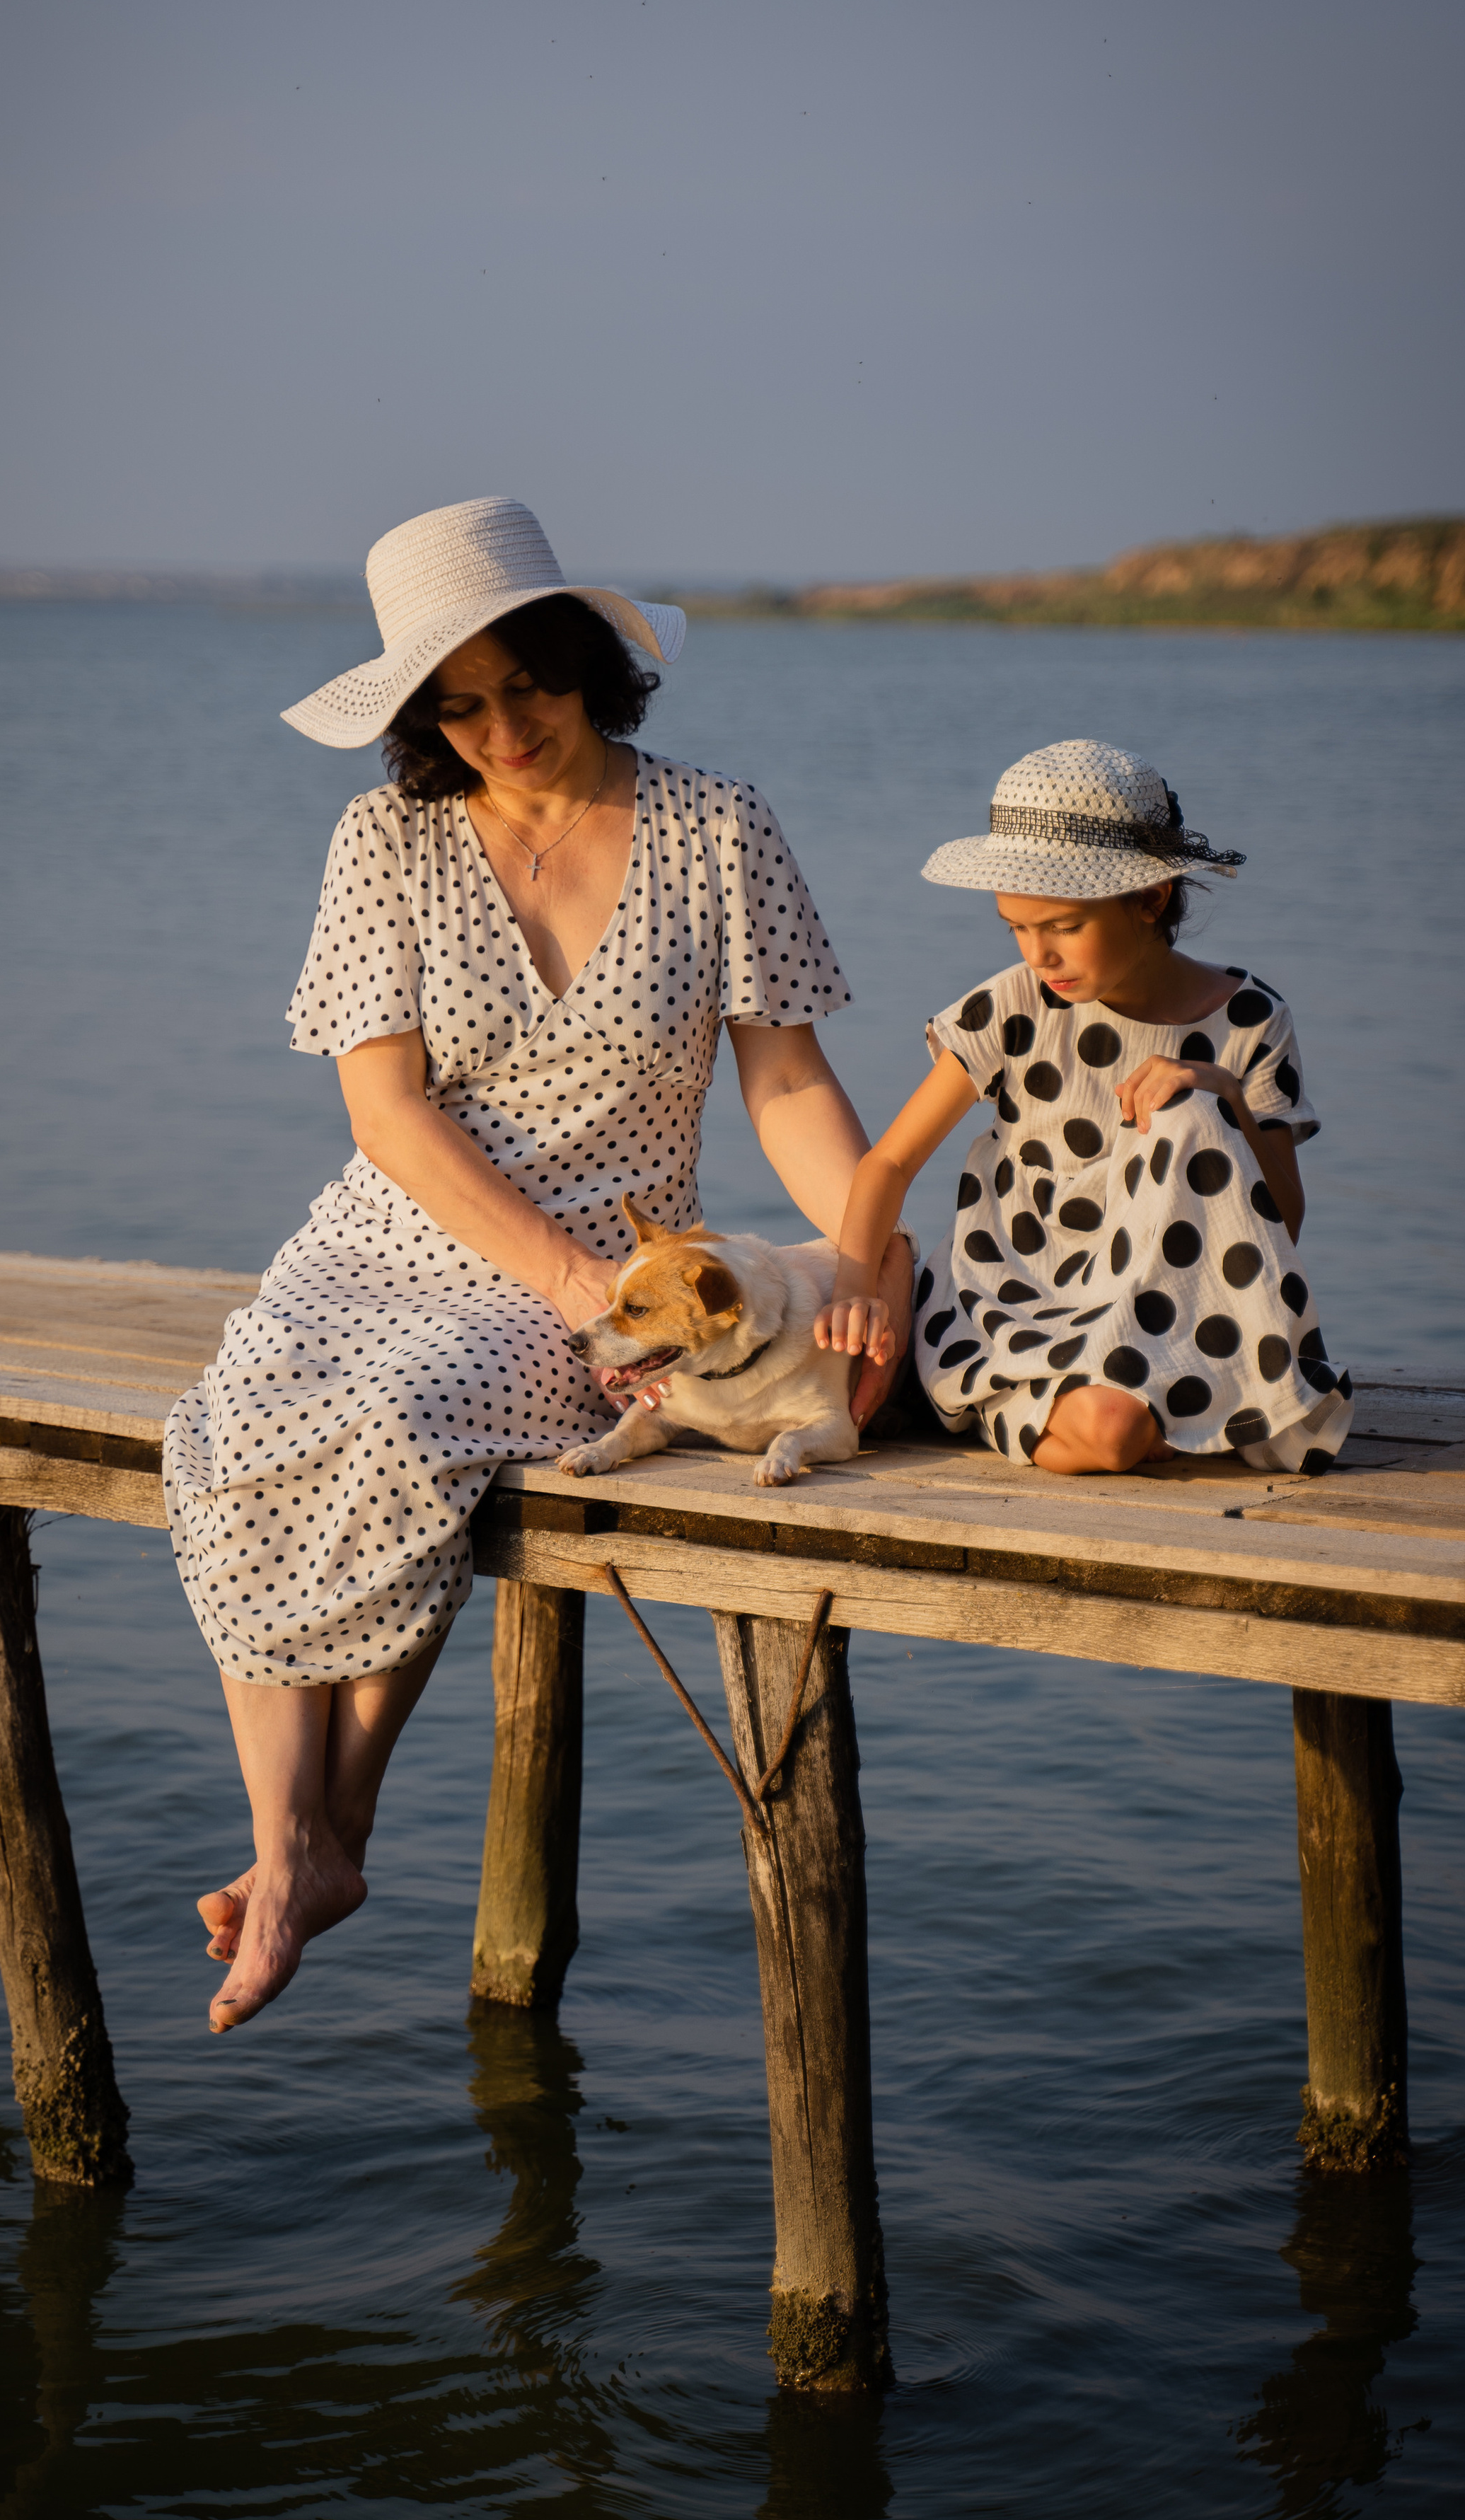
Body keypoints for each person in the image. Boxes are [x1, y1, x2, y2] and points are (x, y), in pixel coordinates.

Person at [164, 495, 912, 2030]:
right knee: (243, 1414)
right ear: (422, 721)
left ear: (589, 665)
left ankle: (323, 1843)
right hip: (392, 1235)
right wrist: (555, 1276)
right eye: (460, 707)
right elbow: (385, 1113)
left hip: (618, 1281)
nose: (503, 729)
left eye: (528, 683)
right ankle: (295, 1844)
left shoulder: (717, 828)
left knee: (405, 1416)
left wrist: (867, 1254)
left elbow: (784, 1084)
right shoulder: (384, 838)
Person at [815, 737, 1352, 1477]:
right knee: (1111, 1434)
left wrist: (1223, 1092)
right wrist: (856, 1292)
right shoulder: (1012, 1004)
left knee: (1189, 1111)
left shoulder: (1251, 1019)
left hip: (1170, 1305)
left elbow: (1277, 1226)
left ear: (1150, 900)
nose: (1038, 955)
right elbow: (891, 1162)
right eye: (1016, 927)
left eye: (1063, 927)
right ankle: (1026, 1398)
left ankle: (1146, 1406)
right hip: (1018, 1290)